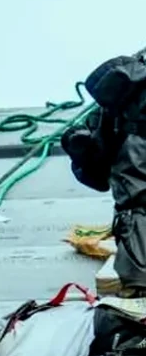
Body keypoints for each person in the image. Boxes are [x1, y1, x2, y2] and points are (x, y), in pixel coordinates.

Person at [61, 52, 146, 295]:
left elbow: (96, 177)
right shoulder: (120, 103)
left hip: (138, 240)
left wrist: (81, 149)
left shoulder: (118, 101)